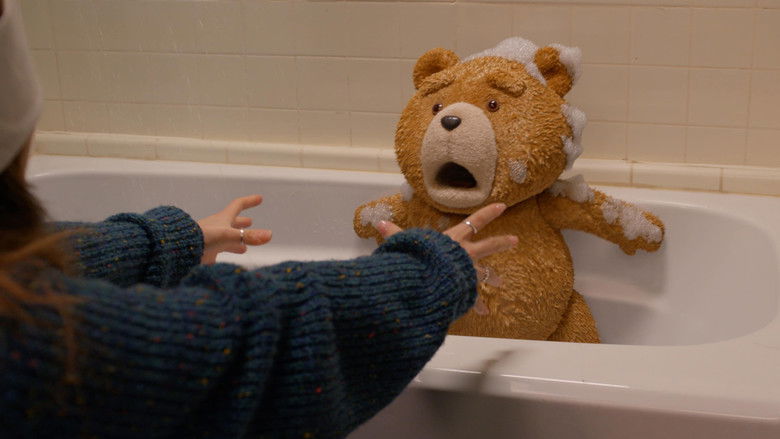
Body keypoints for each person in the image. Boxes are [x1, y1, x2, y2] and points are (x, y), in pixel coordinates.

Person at [0, 1, 518, 437]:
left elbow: (35, 253)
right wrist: (423, 275)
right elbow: (242, 343)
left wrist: (165, 242)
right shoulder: (30, 347)